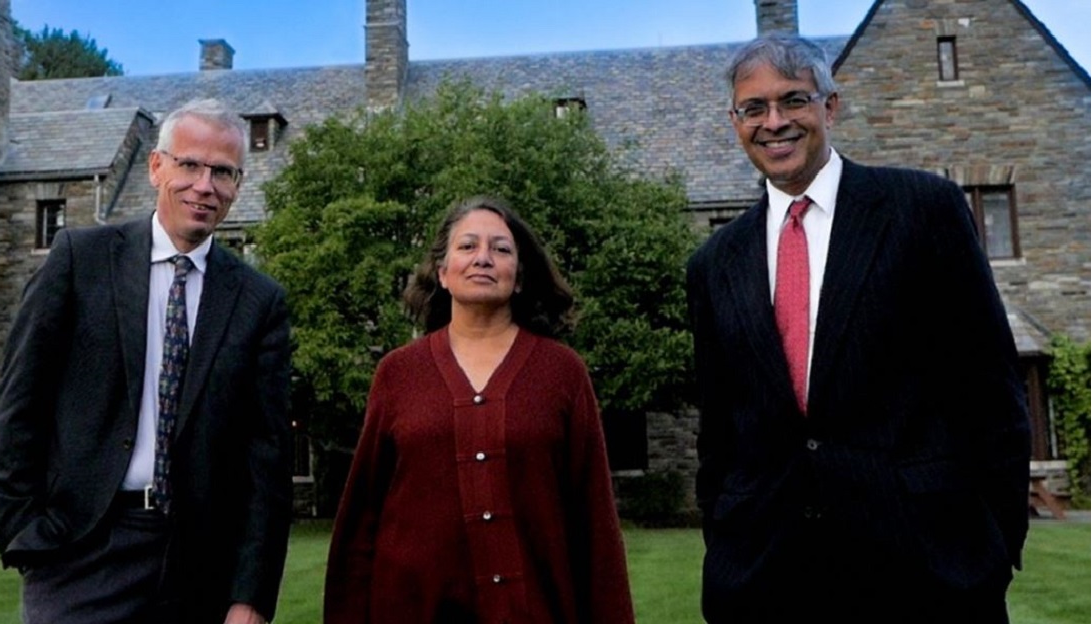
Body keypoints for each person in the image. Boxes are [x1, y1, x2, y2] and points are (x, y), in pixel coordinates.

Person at [685, 36, 1031, 623]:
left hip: (925, 570)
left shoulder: (922, 211)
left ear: (830, 105)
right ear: (735, 120)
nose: (775, 123)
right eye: (754, 109)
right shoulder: (715, 262)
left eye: (794, 101)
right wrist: (726, 538)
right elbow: (719, 428)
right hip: (768, 577)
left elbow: (989, 388)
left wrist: (994, 544)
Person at [0, 98, 294, 624]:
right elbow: (19, 406)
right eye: (190, 165)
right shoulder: (79, 262)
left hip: (199, 565)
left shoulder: (257, 302)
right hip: (82, 551)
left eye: (223, 172)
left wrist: (250, 596)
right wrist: (25, 531)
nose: (205, 185)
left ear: (238, 184)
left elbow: (266, 463)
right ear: (157, 167)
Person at [324, 196, 635, 623]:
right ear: (442, 272)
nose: (483, 259)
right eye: (468, 246)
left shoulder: (561, 374)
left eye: (501, 249)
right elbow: (359, 524)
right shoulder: (398, 375)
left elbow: (595, 526)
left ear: (520, 277)